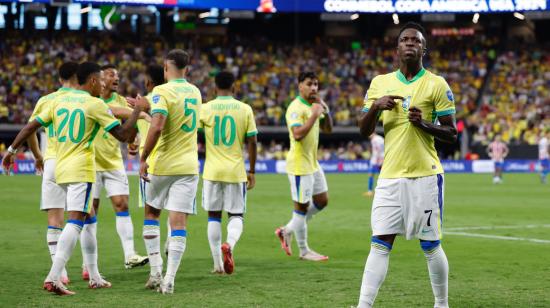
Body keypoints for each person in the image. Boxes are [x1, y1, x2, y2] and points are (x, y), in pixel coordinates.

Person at [2, 62, 146, 295]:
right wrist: (139, 110)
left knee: (86, 220)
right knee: (76, 220)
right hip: (81, 169)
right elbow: (122, 134)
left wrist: (11, 151)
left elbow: (31, 126)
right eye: (100, 81)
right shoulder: (94, 103)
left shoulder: (57, 101)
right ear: (91, 81)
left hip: (59, 167)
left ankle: (95, 275)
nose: (102, 85)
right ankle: (54, 276)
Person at [357, 22, 457, 308]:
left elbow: (452, 133)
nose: (410, 43)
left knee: (430, 244)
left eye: (416, 40)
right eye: (405, 39)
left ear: (424, 48)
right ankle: (364, 306)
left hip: (425, 176)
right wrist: (376, 106)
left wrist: (424, 123)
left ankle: (441, 304)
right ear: (397, 48)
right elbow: (363, 131)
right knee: (379, 241)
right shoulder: (380, 83)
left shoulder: (437, 84)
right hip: (389, 178)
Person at [137, 49, 202, 294]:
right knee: (178, 222)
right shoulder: (196, 91)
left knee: (152, 213)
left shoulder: (161, 91)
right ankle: (170, 279)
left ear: (166, 67)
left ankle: (155, 272)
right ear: (187, 68)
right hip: (188, 166)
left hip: (162, 164)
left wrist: (144, 157)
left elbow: (157, 126)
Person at [82, 64, 147, 274]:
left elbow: (132, 128)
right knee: (90, 212)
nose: (116, 78)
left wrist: (133, 141)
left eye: (118, 75)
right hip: (89, 162)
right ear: (100, 79)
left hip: (112, 161)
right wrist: (139, 112)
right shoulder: (91, 99)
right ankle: (87, 264)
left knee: (122, 205)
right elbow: (119, 113)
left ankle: (130, 255)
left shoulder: (122, 101)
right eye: (111, 75)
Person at [199, 71, 258, 275]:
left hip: (212, 170)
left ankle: (217, 265)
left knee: (213, 216)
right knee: (236, 215)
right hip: (235, 171)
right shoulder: (245, 109)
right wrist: (251, 170)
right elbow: (252, 141)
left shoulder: (204, 108)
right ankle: (229, 244)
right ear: (235, 87)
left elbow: (193, 135)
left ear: (215, 88)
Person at [28, 61, 79, 285]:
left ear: (59, 79)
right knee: (81, 216)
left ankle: (61, 272)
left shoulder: (47, 100)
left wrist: (39, 155)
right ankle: (90, 268)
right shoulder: (83, 100)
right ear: (78, 77)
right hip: (75, 162)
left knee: (54, 219)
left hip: (51, 161)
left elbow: (31, 130)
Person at [275, 71, 333, 261]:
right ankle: (303, 250)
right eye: (310, 84)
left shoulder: (314, 105)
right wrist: (314, 115)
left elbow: (329, 129)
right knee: (301, 209)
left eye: (316, 84)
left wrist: (324, 108)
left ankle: (288, 229)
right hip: (299, 165)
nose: (314, 88)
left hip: (313, 163)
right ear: (300, 86)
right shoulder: (296, 107)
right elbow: (298, 134)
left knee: (322, 201)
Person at [364, 133, 384, 197]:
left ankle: (370, 191)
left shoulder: (374, 140)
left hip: (376, 159)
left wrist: (378, 159)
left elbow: (377, 149)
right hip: (383, 158)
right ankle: (382, 191)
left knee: (371, 175)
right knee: (382, 175)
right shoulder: (381, 138)